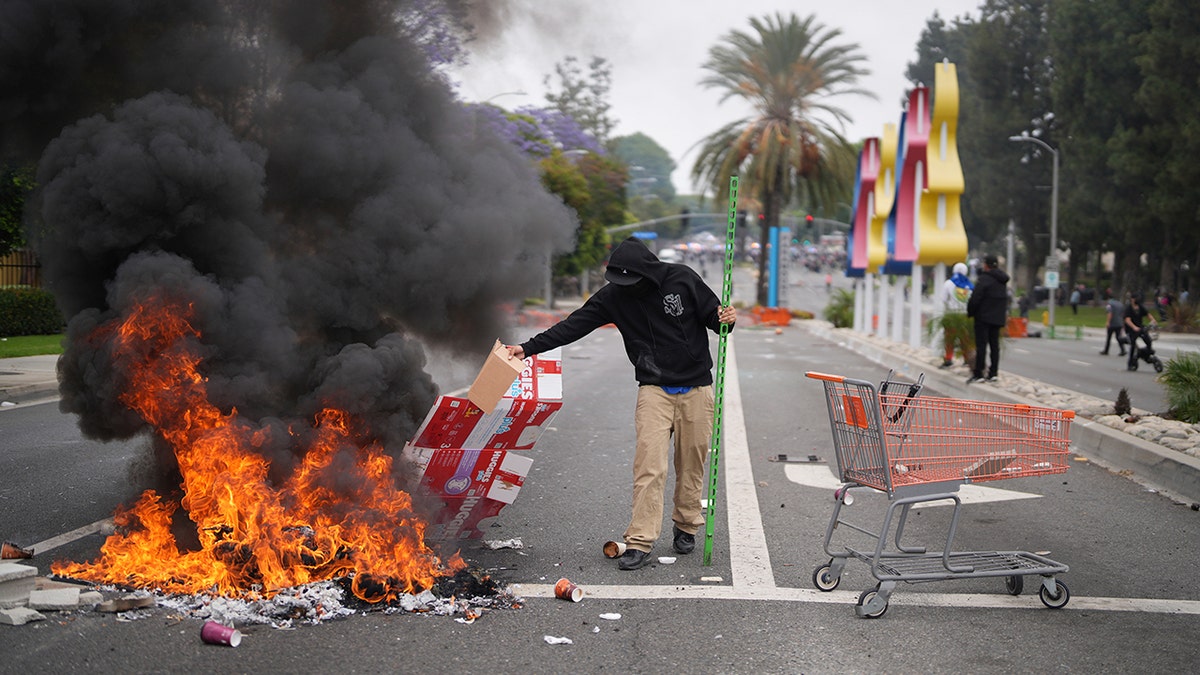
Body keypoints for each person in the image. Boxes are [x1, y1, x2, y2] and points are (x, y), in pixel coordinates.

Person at [506, 237, 737, 571]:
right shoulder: (614, 296)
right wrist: (526, 348)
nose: (627, 288)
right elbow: (573, 326)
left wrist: (727, 319)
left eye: (632, 282)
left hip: (697, 388)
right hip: (654, 390)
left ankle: (686, 524)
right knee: (649, 466)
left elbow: (717, 322)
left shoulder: (682, 279)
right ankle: (640, 541)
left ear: (648, 273)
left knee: (692, 462)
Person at [966, 254, 1010, 384]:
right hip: (997, 318)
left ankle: (978, 373)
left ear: (986, 265)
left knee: (981, 345)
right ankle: (993, 373)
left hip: (983, 317)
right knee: (994, 346)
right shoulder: (1002, 281)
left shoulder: (984, 279)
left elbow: (975, 299)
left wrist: (970, 312)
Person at [935, 262, 973, 368]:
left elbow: (943, 299)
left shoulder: (948, 283)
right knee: (965, 339)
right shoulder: (970, 286)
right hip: (966, 316)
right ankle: (967, 359)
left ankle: (948, 359)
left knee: (949, 339)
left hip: (952, 316)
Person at [1124, 292, 1159, 371]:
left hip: (1140, 328)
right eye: (1136, 298)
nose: (1137, 300)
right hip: (1131, 330)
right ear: (1132, 299)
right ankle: (1130, 363)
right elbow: (1127, 320)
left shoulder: (1140, 307)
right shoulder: (1128, 309)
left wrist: (1153, 321)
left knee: (1148, 341)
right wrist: (1134, 327)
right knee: (1133, 345)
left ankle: (1145, 354)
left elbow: (1148, 314)